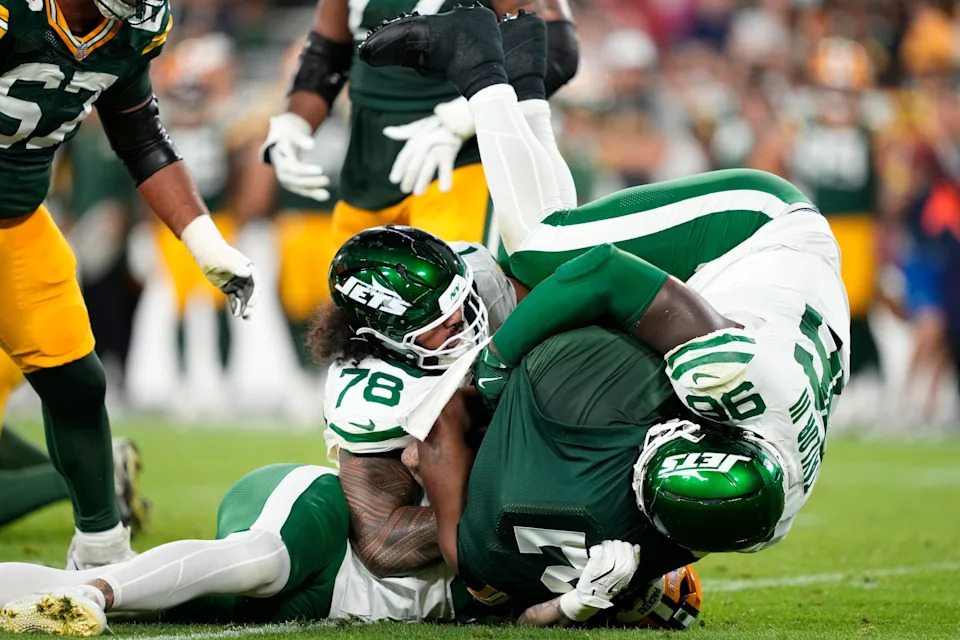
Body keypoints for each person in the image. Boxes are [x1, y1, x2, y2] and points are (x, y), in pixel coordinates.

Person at [359, 4, 849, 587]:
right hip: (756, 230)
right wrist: (493, 364)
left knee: (543, 253)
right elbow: (604, 274)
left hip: (784, 280)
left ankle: (523, 73)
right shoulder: (728, 378)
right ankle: (474, 62)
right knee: (543, 246)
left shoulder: (762, 510)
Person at [0, 0, 257, 568]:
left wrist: (204, 239)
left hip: (16, 226)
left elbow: (140, 138)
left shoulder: (132, 29)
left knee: (78, 381)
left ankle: (101, 548)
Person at [261, 0, 578, 252]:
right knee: (357, 321)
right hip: (367, 168)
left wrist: (463, 117)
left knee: (461, 311)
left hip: (460, 165)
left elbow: (553, 46)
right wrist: (294, 123)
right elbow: (327, 52)